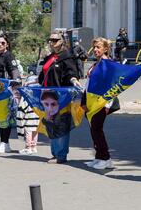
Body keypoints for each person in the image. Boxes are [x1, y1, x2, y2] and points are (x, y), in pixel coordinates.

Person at [38, 30, 83, 163]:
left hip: (60, 97)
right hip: (47, 95)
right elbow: (44, 74)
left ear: (62, 41)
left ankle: (61, 155)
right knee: (51, 124)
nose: (52, 42)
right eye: (50, 40)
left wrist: (74, 79)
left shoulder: (67, 56)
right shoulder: (51, 56)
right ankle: (55, 153)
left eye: (55, 40)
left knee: (61, 124)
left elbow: (71, 73)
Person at [0, 33, 20, 153]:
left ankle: (5, 143)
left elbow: (14, 70)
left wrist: (15, 82)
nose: (0, 45)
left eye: (3, 43)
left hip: (5, 90)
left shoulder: (8, 55)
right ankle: (3, 142)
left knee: (5, 117)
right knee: (1, 117)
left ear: (7, 44)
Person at [85, 38, 115, 170]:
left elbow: (111, 84)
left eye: (98, 47)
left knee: (97, 129)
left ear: (105, 49)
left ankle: (106, 158)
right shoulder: (96, 63)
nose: (96, 50)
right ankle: (99, 156)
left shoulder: (107, 63)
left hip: (101, 102)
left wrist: (107, 103)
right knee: (93, 129)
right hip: (91, 101)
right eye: (94, 47)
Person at [14, 80, 40, 154]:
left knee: (28, 133)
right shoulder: (37, 99)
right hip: (37, 120)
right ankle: (34, 147)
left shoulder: (26, 99)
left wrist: (20, 118)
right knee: (35, 133)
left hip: (28, 119)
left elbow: (22, 109)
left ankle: (28, 148)